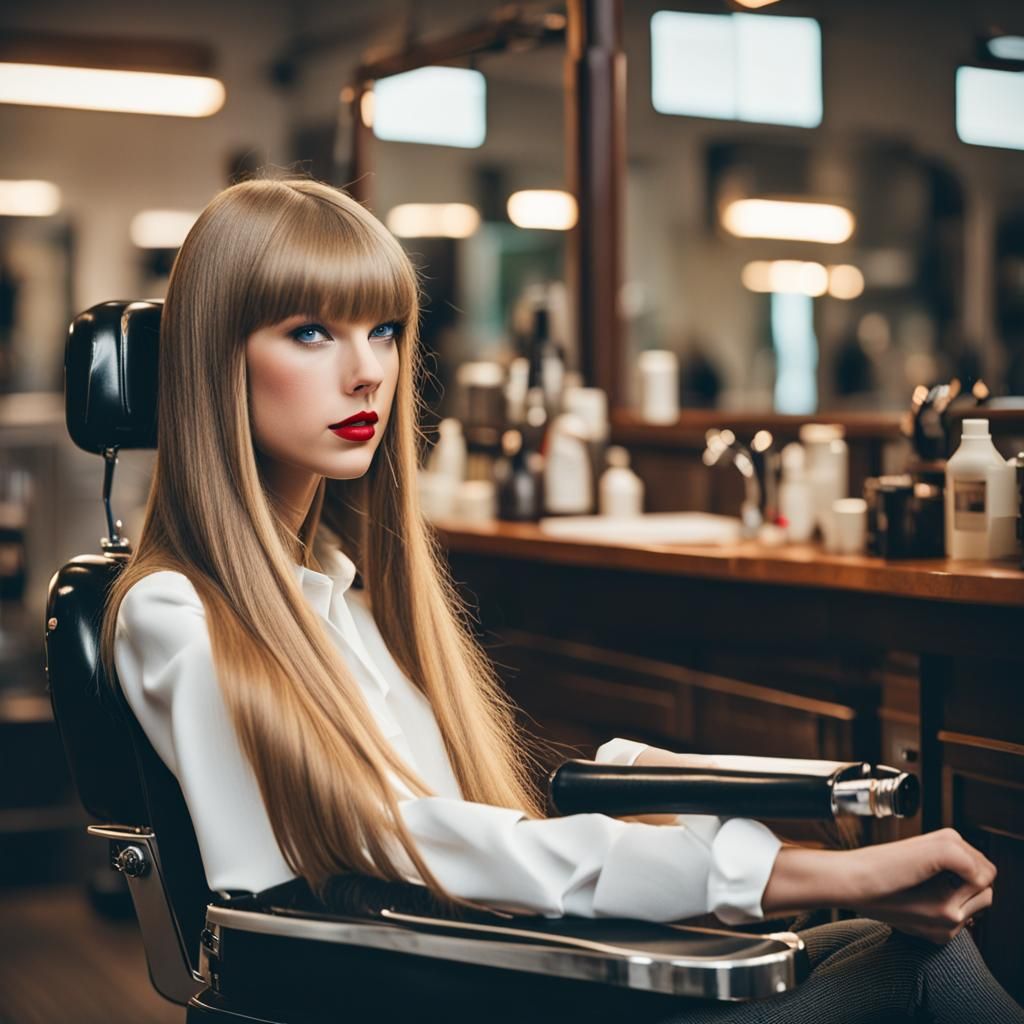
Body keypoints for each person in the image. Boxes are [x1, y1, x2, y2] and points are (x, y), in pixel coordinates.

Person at [100, 177, 1023, 1022]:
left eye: (382, 330)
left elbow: (460, 822)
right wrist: (803, 871)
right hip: (439, 991)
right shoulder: (173, 613)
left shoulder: (333, 593)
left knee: (901, 943)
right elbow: (413, 839)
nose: (367, 372)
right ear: (216, 362)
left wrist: (700, 817)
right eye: (311, 332)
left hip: (494, 966)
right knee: (912, 972)